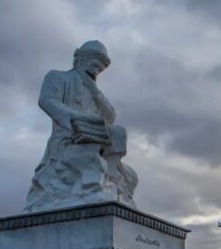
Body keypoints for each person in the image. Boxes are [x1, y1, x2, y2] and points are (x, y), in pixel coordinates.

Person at [25, 40, 137, 211]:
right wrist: (75, 119)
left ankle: (112, 175)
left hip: (98, 138)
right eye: (94, 65)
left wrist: (94, 90)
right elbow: (47, 100)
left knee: (120, 136)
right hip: (70, 137)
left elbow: (110, 117)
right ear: (79, 60)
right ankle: (100, 180)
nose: (95, 71)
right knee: (91, 161)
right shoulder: (58, 77)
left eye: (100, 70)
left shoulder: (94, 91)